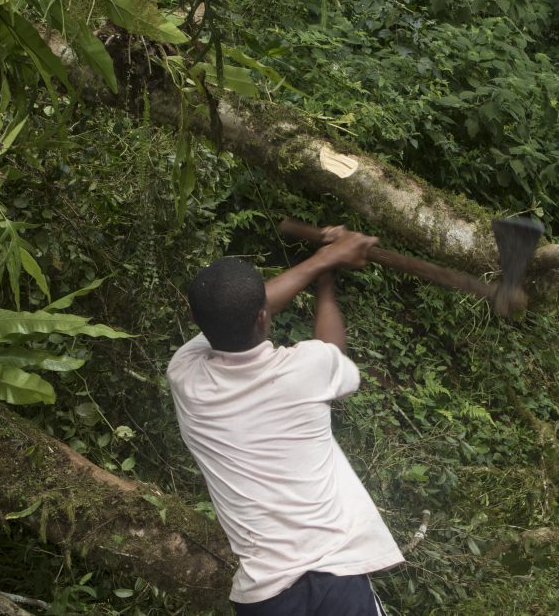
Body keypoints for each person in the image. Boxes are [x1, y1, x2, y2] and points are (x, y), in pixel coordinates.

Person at [168, 226, 404, 615]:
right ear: (264, 317)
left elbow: (242, 308)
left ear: (194, 317)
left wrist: (325, 259)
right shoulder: (310, 367)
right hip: (336, 577)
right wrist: (326, 275)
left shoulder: (185, 376)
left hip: (266, 597)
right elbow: (333, 354)